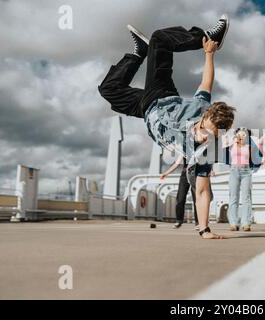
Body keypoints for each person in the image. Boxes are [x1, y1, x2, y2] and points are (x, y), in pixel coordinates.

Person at [98, 15, 234, 239]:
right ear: (206, 117)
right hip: (161, 96)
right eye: (203, 128)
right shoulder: (201, 107)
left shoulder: (204, 154)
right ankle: (209, 35)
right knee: (160, 39)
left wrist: (204, 229)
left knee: (109, 90)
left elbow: (202, 192)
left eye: (209, 135)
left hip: (145, 111)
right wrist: (209, 53)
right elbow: (206, 83)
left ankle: (139, 52)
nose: (203, 135)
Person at [223, 122, 265, 231]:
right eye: (239, 134)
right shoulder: (231, 144)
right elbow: (222, 140)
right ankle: (233, 223)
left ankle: (246, 223)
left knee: (246, 198)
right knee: (233, 197)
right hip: (234, 171)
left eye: (244, 134)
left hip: (246, 171)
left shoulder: (251, 144)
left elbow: (263, 140)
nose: (241, 136)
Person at [160, 155, 199, 229]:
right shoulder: (184, 149)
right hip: (185, 174)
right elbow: (176, 163)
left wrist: (211, 170)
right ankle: (179, 220)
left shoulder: (199, 147)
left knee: (197, 199)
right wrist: (166, 173)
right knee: (180, 197)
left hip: (197, 174)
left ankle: (198, 223)